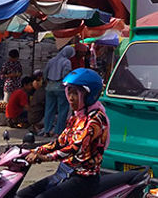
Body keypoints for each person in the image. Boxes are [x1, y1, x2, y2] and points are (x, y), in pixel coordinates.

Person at [18, 69, 109, 198]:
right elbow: (60, 142)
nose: (71, 98)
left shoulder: (95, 119)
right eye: (69, 92)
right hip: (66, 172)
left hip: (84, 178)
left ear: (89, 95)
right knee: (23, 194)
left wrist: (45, 158)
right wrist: (36, 150)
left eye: (76, 94)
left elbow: (75, 147)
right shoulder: (77, 116)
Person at [41, 45, 75, 137]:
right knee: (62, 110)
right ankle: (58, 132)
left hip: (49, 87)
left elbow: (45, 73)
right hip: (61, 88)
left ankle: (46, 131)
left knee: (49, 110)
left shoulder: (51, 60)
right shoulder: (66, 62)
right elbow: (66, 75)